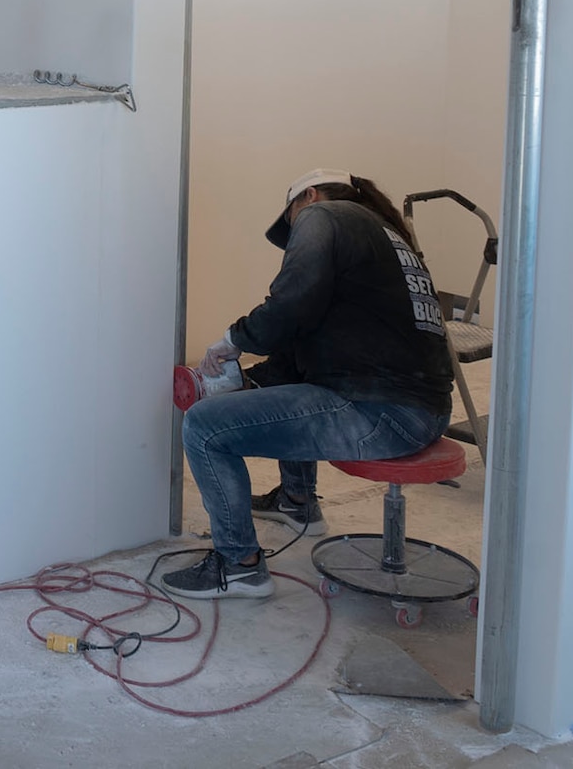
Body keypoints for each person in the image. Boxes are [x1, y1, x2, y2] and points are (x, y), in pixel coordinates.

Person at [160, 168, 455, 600]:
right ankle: (297, 503)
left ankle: (238, 564)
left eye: (293, 222)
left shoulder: (325, 216)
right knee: (292, 390)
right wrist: (247, 383)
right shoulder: (386, 237)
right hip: (423, 409)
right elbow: (302, 350)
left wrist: (233, 340)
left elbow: (291, 302)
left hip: (380, 413)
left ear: (308, 197)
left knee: (206, 428)